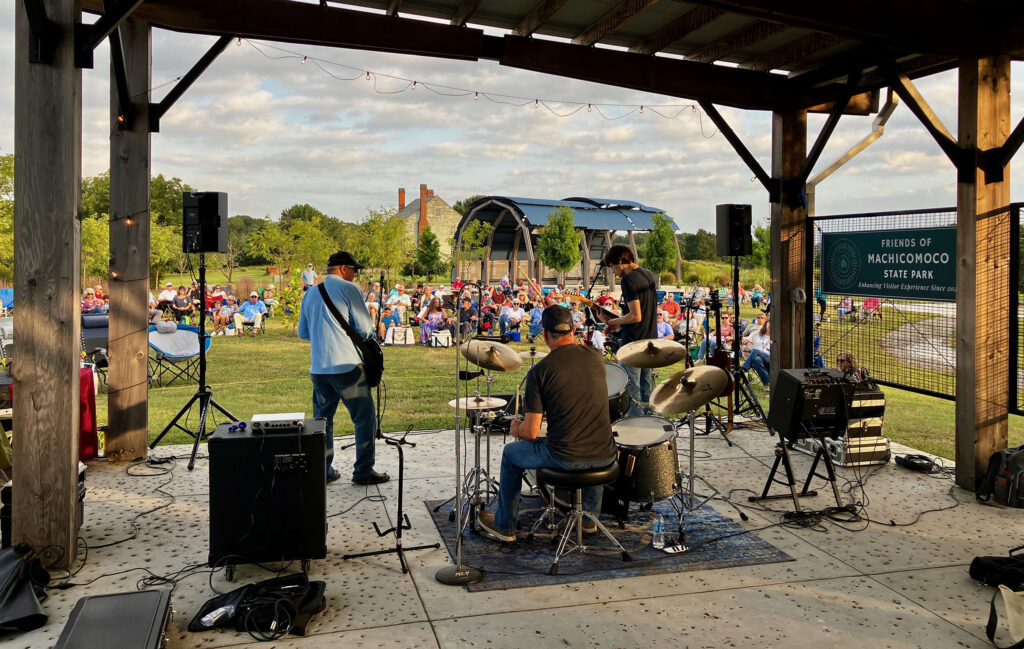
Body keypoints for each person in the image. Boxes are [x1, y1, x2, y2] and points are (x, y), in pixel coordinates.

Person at [477, 306, 617, 543]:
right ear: (573, 330)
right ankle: (588, 521)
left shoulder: (540, 371)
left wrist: (516, 429)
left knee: (511, 454)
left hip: (566, 456)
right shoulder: (596, 358)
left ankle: (504, 526)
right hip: (606, 454)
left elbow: (531, 432)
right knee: (589, 439)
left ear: (545, 333)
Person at [297, 250, 388, 485]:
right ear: (344, 269)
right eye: (354, 270)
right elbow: (367, 330)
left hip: (319, 368)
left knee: (322, 421)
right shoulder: (350, 290)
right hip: (347, 365)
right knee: (364, 418)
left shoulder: (310, 293)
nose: (355, 274)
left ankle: (324, 470)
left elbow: (303, 333)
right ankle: (363, 471)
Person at [599, 245, 658, 416]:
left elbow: (635, 316)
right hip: (650, 340)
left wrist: (614, 321)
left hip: (633, 342)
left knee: (631, 389)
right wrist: (618, 320)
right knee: (646, 387)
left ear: (620, 262)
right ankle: (650, 426)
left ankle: (636, 429)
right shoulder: (647, 273)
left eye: (612, 267)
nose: (613, 272)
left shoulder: (628, 279)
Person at [741, 317, 771, 389]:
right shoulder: (757, 333)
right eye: (769, 322)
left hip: (771, 360)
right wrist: (745, 342)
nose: (770, 325)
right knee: (757, 359)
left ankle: (742, 370)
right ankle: (767, 384)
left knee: (756, 351)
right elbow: (745, 342)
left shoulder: (776, 337)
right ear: (766, 323)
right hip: (758, 359)